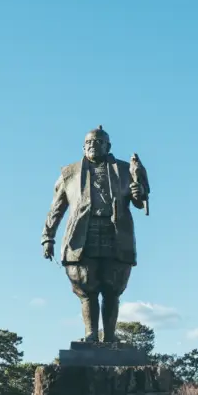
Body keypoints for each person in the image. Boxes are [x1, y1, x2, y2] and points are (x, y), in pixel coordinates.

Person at [41, 126, 147, 343]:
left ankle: (109, 337)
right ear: (83, 146)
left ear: (108, 146)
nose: (93, 145)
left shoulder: (125, 170)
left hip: (115, 234)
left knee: (112, 287)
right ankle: (91, 334)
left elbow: (138, 201)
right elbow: (56, 208)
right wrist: (48, 237)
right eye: (89, 142)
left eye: (98, 142)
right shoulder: (69, 173)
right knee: (86, 287)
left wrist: (139, 192)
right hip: (82, 234)